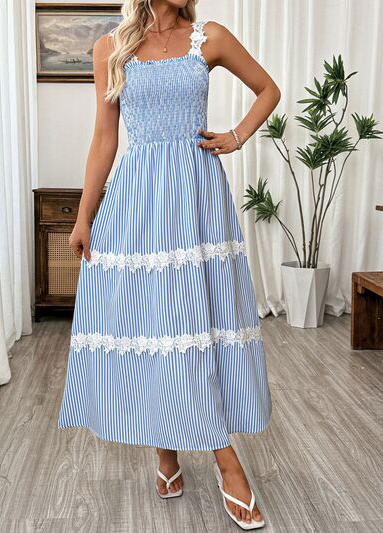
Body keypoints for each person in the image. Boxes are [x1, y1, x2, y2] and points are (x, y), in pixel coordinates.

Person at [58, 0, 280, 529]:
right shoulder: (110, 48)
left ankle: (221, 458)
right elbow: (105, 137)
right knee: (151, 321)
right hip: (137, 201)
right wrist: (84, 215)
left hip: (197, 199)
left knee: (192, 321)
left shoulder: (210, 38)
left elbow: (268, 90)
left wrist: (236, 136)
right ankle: (169, 446)